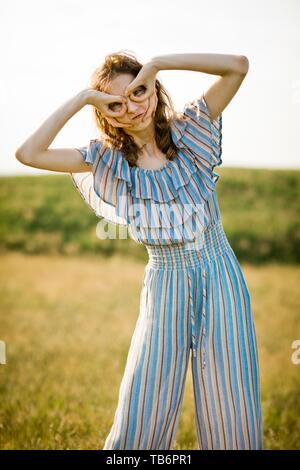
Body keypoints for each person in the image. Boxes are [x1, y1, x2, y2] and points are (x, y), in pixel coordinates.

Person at [15, 50, 263, 450]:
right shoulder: (107, 162)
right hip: (164, 284)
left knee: (231, 404)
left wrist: (158, 63)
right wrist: (83, 99)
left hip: (221, 277)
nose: (131, 107)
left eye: (137, 92)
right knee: (143, 404)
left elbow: (238, 66)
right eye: (116, 102)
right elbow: (29, 154)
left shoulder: (192, 132)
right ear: (105, 113)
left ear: (152, 89)